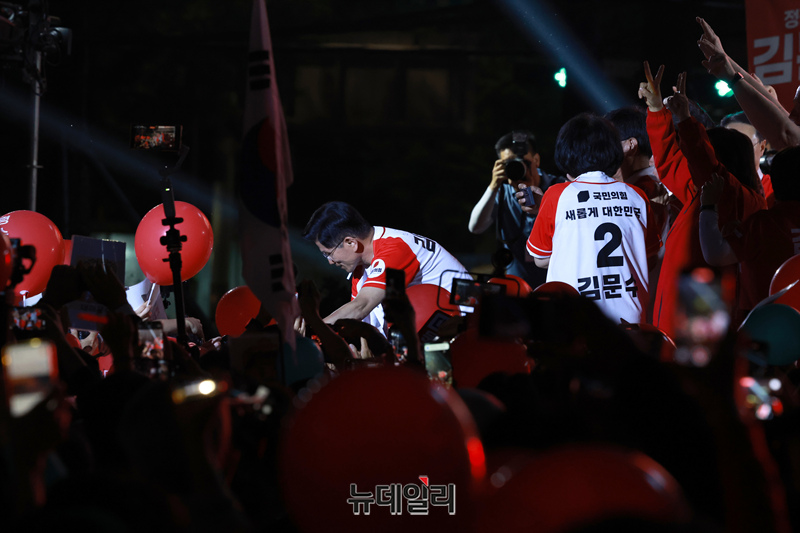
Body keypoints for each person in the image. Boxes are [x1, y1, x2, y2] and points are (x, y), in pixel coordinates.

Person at [526, 113, 661, 325]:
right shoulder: (637, 195)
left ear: (566, 154)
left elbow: (540, 258)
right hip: (631, 321)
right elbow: (649, 254)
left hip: (575, 318)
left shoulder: (556, 195)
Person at [302, 201, 470, 334]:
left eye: (328, 254)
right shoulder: (361, 268)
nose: (330, 261)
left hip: (468, 325)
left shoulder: (395, 248)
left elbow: (361, 306)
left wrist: (311, 330)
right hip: (438, 329)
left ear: (351, 242)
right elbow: (360, 324)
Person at [699, 146, 800, 325]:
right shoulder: (763, 224)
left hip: (768, 327)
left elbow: (715, 254)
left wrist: (708, 206)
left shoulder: (764, 224)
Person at [468, 130, 565, 288]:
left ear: (536, 160)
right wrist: (493, 186)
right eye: (509, 164)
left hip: (554, 281)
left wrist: (540, 203)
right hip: (516, 285)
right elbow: (475, 227)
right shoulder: (502, 193)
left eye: (522, 162)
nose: (517, 168)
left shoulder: (558, 188)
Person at [720, 111, 774, 207]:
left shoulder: (776, 191)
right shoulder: (711, 190)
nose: (736, 152)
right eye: (729, 146)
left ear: (762, 147)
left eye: (744, 145)